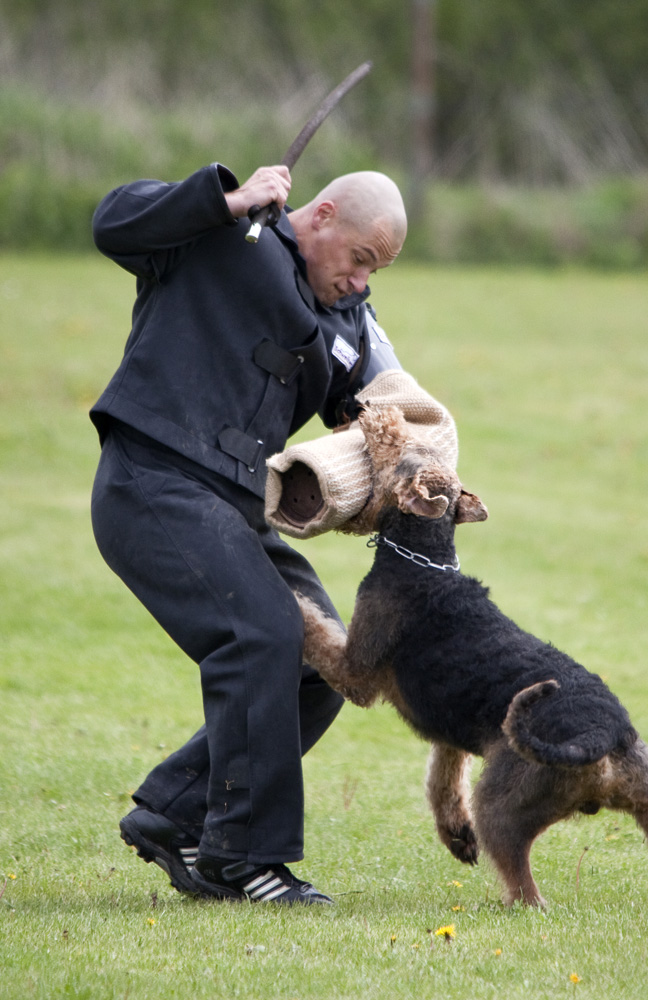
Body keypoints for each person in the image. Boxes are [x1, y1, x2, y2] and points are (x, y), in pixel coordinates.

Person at [90, 162, 407, 904]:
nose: (361, 281)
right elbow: (114, 220)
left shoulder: (342, 322)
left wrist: (416, 464)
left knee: (328, 660)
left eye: (377, 270)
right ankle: (243, 860)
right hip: (152, 481)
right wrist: (225, 197)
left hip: (232, 506)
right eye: (360, 259)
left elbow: (373, 408)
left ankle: (176, 815)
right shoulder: (222, 233)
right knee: (261, 631)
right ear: (321, 216)